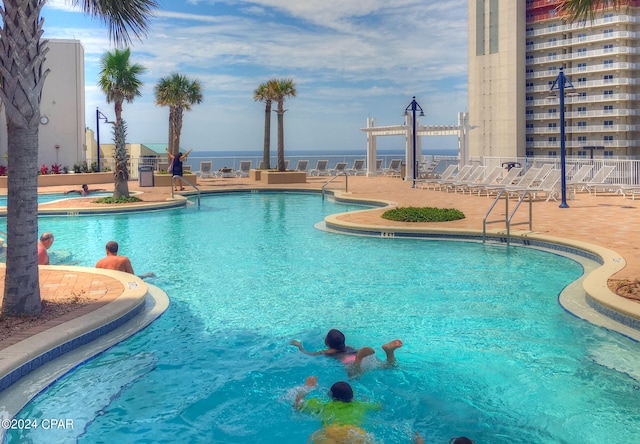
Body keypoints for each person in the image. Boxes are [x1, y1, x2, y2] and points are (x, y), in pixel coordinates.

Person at [294, 376, 379, 443]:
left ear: (330, 396)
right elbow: (380, 406)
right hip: (355, 433)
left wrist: (307, 387)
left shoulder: (322, 405)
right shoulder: (361, 405)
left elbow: (297, 405)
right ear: (352, 398)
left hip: (331, 432)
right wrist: (366, 399)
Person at [290, 328, 402, 373]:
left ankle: (359, 359)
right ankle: (389, 352)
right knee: (387, 366)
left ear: (327, 342)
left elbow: (308, 354)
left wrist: (299, 346)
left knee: (354, 376)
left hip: (350, 361)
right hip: (358, 354)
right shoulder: (348, 346)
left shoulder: (326, 352)